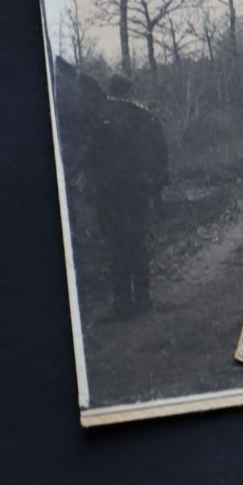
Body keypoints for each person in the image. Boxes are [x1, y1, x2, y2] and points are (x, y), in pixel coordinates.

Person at [88, 74, 169, 321]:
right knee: (137, 241)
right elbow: (161, 148)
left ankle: (121, 303)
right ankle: (143, 299)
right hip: (138, 188)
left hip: (110, 191)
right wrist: (157, 184)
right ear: (129, 90)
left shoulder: (100, 117)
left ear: (108, 91)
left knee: (116, 245)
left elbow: (90, 155)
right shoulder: (144, 115)